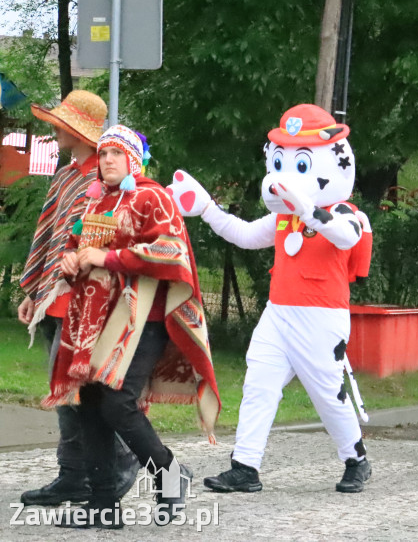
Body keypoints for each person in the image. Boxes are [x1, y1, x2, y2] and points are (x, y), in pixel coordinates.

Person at [170, 105, 374, 495]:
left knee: (328, 395)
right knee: (259, 385)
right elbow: (246, 235)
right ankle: (245, 466)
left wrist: (307, 209)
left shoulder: (345, 212)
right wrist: (208, 209)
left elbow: (346, 237)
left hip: (322, 317)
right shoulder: (284, 220)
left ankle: (356, 459)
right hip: (278, 314)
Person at [43, 126, 219, 529]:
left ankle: (171, 476)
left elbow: (170, 251)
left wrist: (108, 258)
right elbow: (76, 245)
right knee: (89, 404)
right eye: (103, 153)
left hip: (145, 319)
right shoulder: (96, 200)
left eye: (116, 154)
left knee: (118, 402)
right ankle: (102, 506)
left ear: (133, 160)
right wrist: (72, 259)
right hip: (94, 319)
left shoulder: (152, 196)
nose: (106, 160)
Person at [15, 91, 142, 508]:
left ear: (78, 132)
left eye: (61, 124)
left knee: (90, 397)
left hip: (88, 304)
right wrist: (36, 291)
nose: (55, 129)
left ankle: (118, 467)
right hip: (56, 301)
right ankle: (74, 475)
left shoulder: (106, 183)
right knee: (68, 398)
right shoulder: (69, 176)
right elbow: (52, 236)